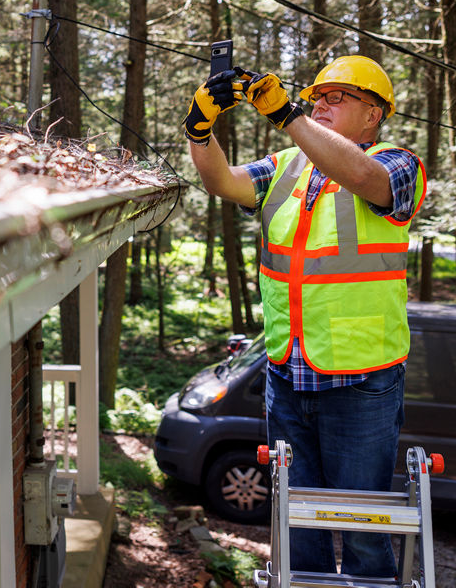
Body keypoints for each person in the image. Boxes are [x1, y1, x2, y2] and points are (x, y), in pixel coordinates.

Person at [183, 56, 426, 578]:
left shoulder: (400, 164)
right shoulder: (284, 167)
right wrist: (200, 127)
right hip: (286, 375)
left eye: (338, 97)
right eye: (318, 96)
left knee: (364, 530)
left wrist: (290, 113)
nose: (322, 104)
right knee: (297, 531)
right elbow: (222, 182)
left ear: (374, 115)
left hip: (360, 382)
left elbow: (363, 176)